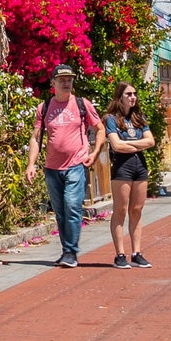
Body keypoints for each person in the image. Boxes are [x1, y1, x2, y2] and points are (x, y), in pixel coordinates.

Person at [23, 63, 100, 268]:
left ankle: (70, 252)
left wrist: (95, 152)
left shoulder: (83, 104)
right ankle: (67, 250)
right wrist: (31, 164)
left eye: (70, 80)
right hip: (52, 168)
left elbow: (99, 129)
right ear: (53, 83)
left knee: (72, 206)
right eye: (62, 80)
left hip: (76, 164)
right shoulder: (45, 107)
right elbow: (36, 137)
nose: (67, 83)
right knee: (60, 211)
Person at [101, 81, 157, 268]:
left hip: (139, 166)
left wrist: (131, 145)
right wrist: (138, 143)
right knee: (121, 210)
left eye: (134, 94)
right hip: (122, 167)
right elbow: (116, 145)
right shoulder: (111, 119)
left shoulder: (139, 117)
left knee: (137, 209)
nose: (133, 97)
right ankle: (120, 255)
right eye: (128, 94)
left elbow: (151, 142)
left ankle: (137, 253)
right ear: (120, 97)